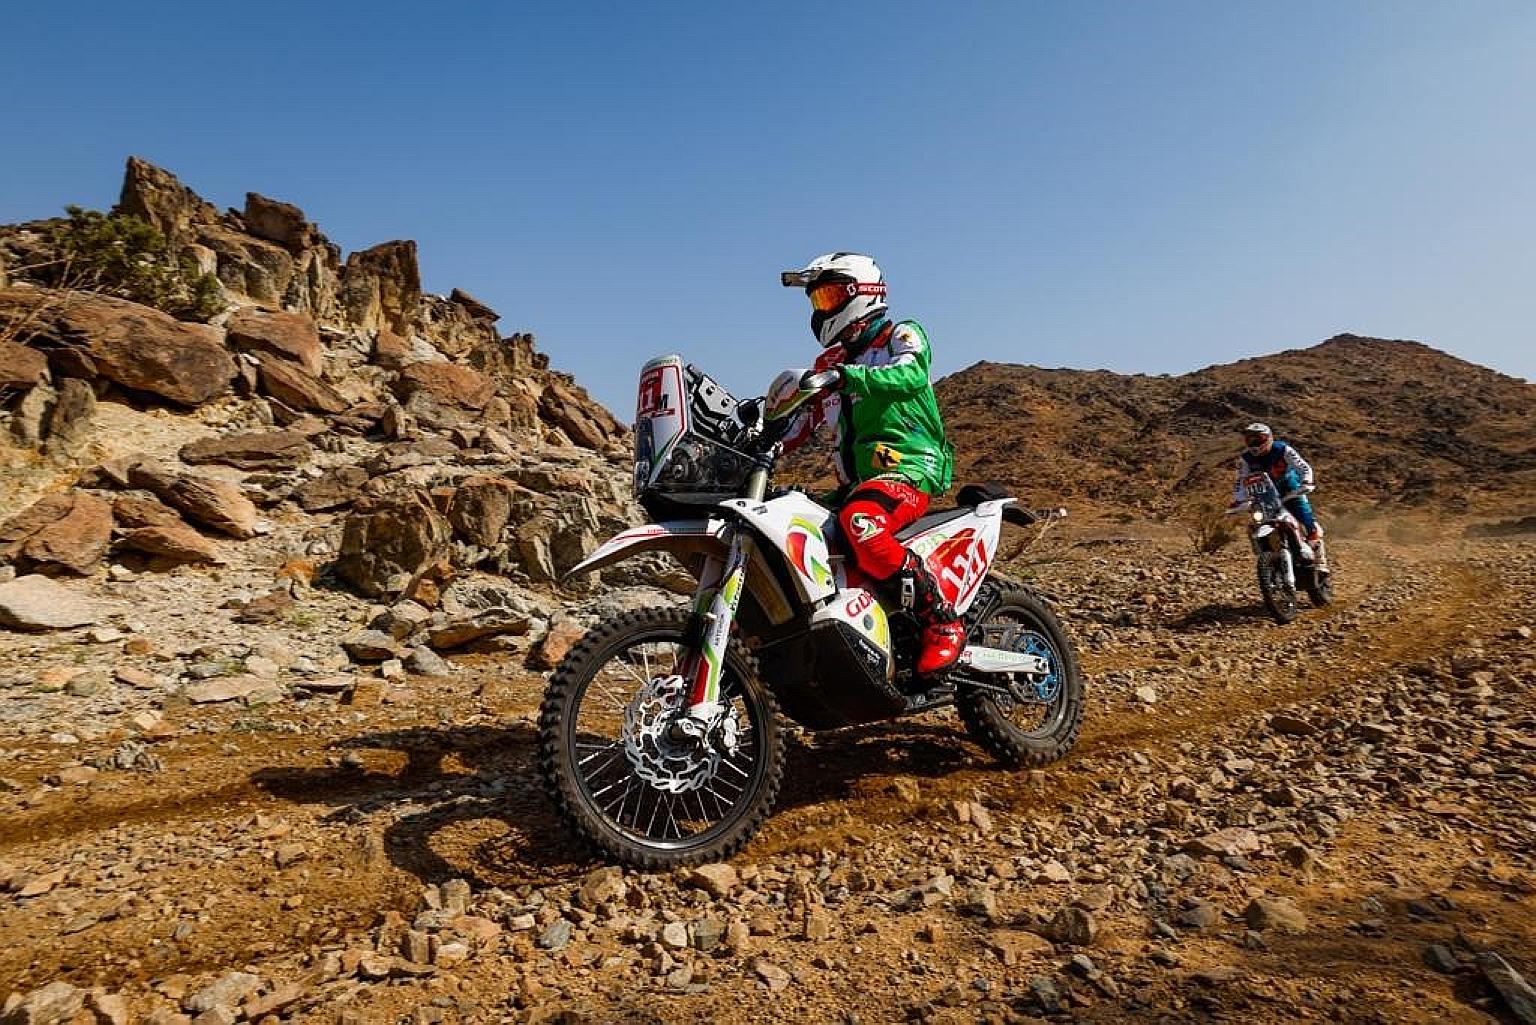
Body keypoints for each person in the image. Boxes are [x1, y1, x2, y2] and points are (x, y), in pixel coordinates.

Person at [777, 252, 964, 676]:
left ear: (862, 293)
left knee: (860, 521)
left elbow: (910, 375)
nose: (822, 309)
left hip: (910, 469)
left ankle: (942, 621)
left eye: (828, 296)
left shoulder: (901, 334)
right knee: (796, 522)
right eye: (816, 301)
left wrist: (850, 377)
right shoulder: (830, 364)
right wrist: (757, 436)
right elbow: (802, 421)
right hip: (857, 480)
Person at [1232, 422, 1325, 553]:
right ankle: (1265, 553)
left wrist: (1306, 481)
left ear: (1268, 439)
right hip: (1265, 496)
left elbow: (1302, 466)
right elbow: (1240, 480)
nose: (1254, 444)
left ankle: (1320, 559)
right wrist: (1239, 499)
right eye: (1250, 440)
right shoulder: (1246, 459)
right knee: (1254, 524)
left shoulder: (1282, 449)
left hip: (1291, 489)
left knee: (1305, 516)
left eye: (1258, 439)